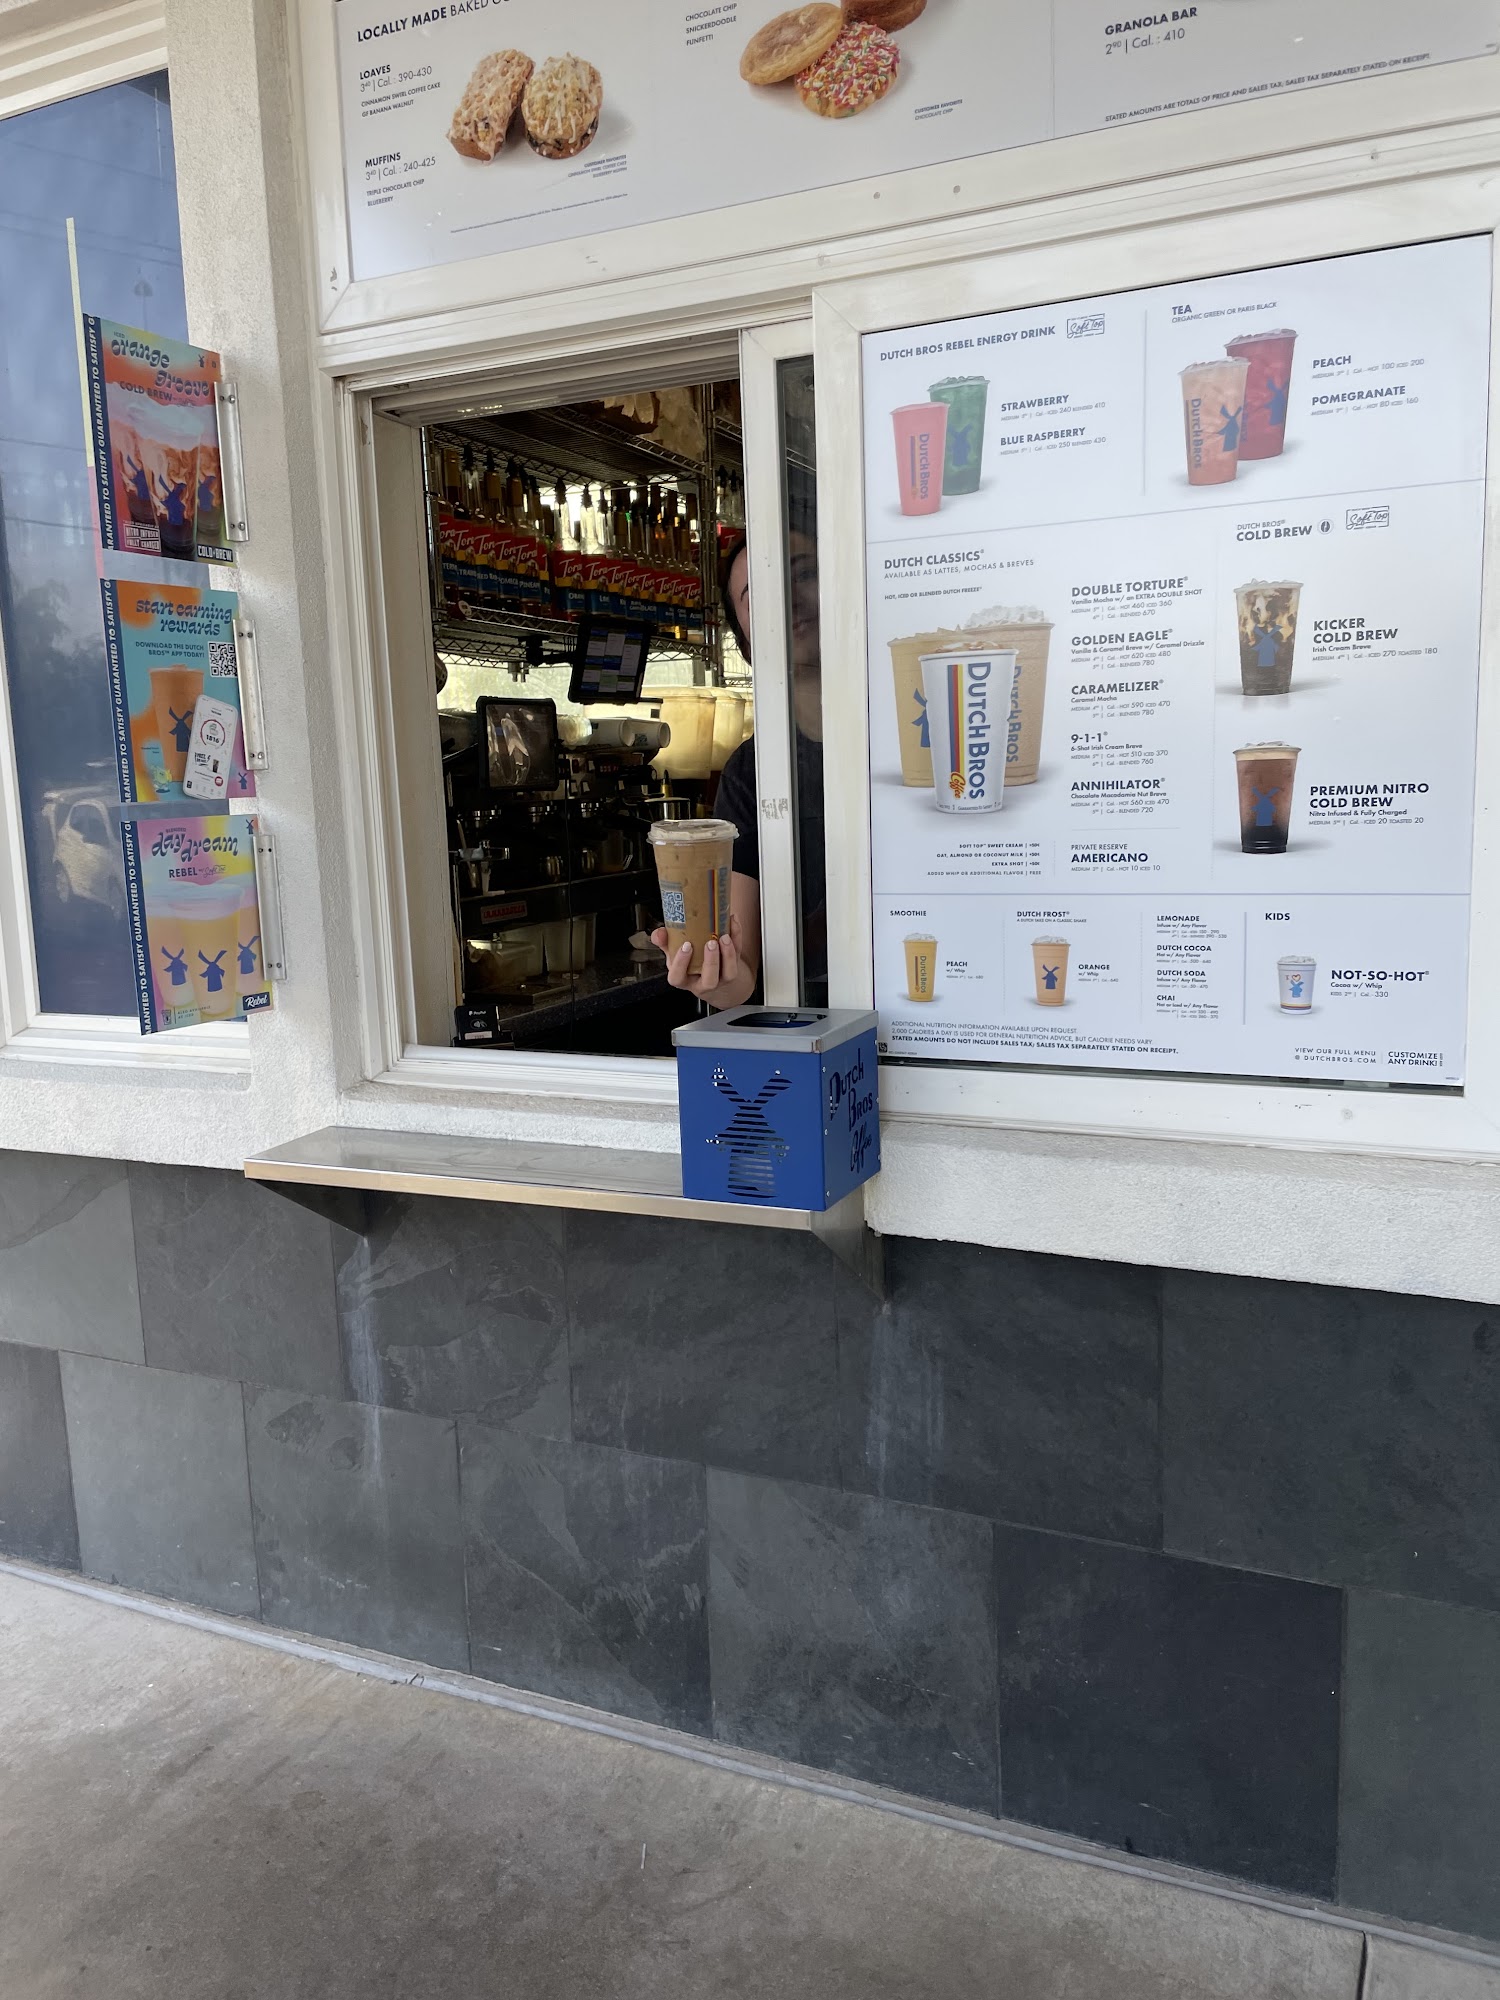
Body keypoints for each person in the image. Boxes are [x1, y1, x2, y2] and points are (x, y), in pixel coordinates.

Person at [651, 523, 825, 1007]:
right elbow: (742, 975)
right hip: (821, 1029)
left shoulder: (914, 736)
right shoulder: (752, 773)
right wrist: (714, 975)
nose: (788, 601)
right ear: (747, 645)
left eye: (804, 574)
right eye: (759, 596)